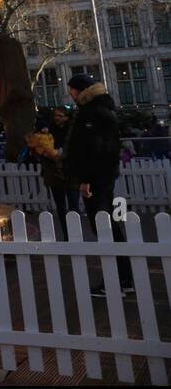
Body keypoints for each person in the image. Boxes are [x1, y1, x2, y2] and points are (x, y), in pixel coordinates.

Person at [62, 74, 132, 296]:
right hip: (102, 176)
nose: (70, 94)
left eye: (72, 90)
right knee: (108, 223)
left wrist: (86, 179)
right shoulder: (100, 109)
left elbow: (93, 149)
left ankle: (116, 280)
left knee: (102, 224)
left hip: (97, 178)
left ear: (80, 90)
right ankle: (125, 277)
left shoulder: (91, 112)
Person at [42, 106, 79, 221]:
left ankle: (75, 231)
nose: (56, 118)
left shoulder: (72, 131)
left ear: (66, 118)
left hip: (70, 172)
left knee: (73, 204)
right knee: (60, 206)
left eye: (60, 116)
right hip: (55, 173)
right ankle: (65, 232)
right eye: (55, 115)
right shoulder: (49, 131)